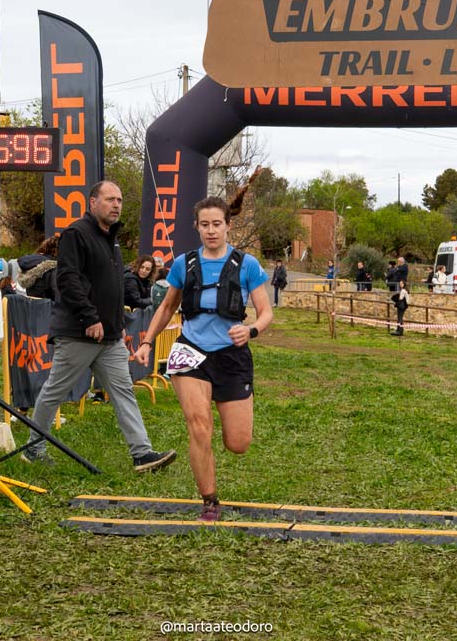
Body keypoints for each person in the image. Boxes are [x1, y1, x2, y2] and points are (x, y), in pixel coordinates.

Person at [134, 195, 273, 521]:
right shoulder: (184, 264)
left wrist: (251, 330)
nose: (211, 231)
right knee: (199, 427)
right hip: (190, 352)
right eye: (205, 225)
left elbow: (266, 312)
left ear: (228, 226)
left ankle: (227, 434)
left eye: (217, 224)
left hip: (231, 356)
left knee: (238, 443)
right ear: (197, 227)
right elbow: (167, 306)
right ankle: (209, 501)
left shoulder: (247, 264)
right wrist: (147, 341)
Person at [22, 180, 176, 472]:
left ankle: (142, 454)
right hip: (79, 333)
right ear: (92, 202)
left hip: (110, 337)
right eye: (110, 199)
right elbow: (68, 279)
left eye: (119, 200)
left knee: (124, 391)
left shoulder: (111, 238)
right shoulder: (76, 234)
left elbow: (111, 286)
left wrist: (117, 325)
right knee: (55, 391)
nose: (117, 204)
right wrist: (89, 317)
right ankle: (33, 449)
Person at [17, 236, 59, 300]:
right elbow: (55, 291)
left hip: (31, 303)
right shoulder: (52, 266)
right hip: (47, 304)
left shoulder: (31, 264)